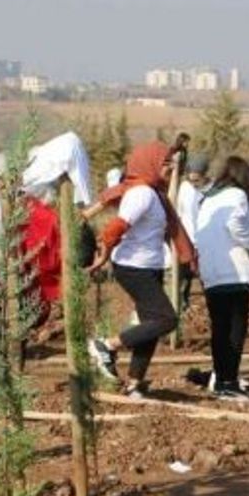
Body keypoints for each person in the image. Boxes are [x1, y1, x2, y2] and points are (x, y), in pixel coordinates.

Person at [86, 141, 196, 399]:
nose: (170, 168)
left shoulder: (155, 194)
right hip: (133, 267)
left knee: (151, 325)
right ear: (150, 164)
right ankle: (106, 345)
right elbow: (116, 227)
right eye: (165, 163)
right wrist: (103, 255)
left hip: (149, 265)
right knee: (166, 319)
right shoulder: (142, 194)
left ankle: (135, 384)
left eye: (170, 163)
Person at [0, 152, 62, 324]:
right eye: (3, 177)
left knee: (17, 322)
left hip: (17, 273)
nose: (9, 183)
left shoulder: (25, 202)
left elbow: (48, 226)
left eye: (13, 177)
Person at [194, 157, 249, 402]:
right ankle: (230, 382)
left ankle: (222, 380)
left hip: (211, 272)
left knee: (219, 328)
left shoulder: (208, 198)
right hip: (233, 271)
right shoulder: (237, 195)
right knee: (235, 328)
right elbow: (237, 226)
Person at [175, 153, 211, 307]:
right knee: (183, 277)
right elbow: (178, 212)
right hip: (186, 239)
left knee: (207, 277)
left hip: (206, 241)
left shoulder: (212, 190)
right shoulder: (184, 188)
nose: (193, 183)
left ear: (205, 176)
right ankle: (182, 304)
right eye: (191, 180)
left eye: (197, 180)